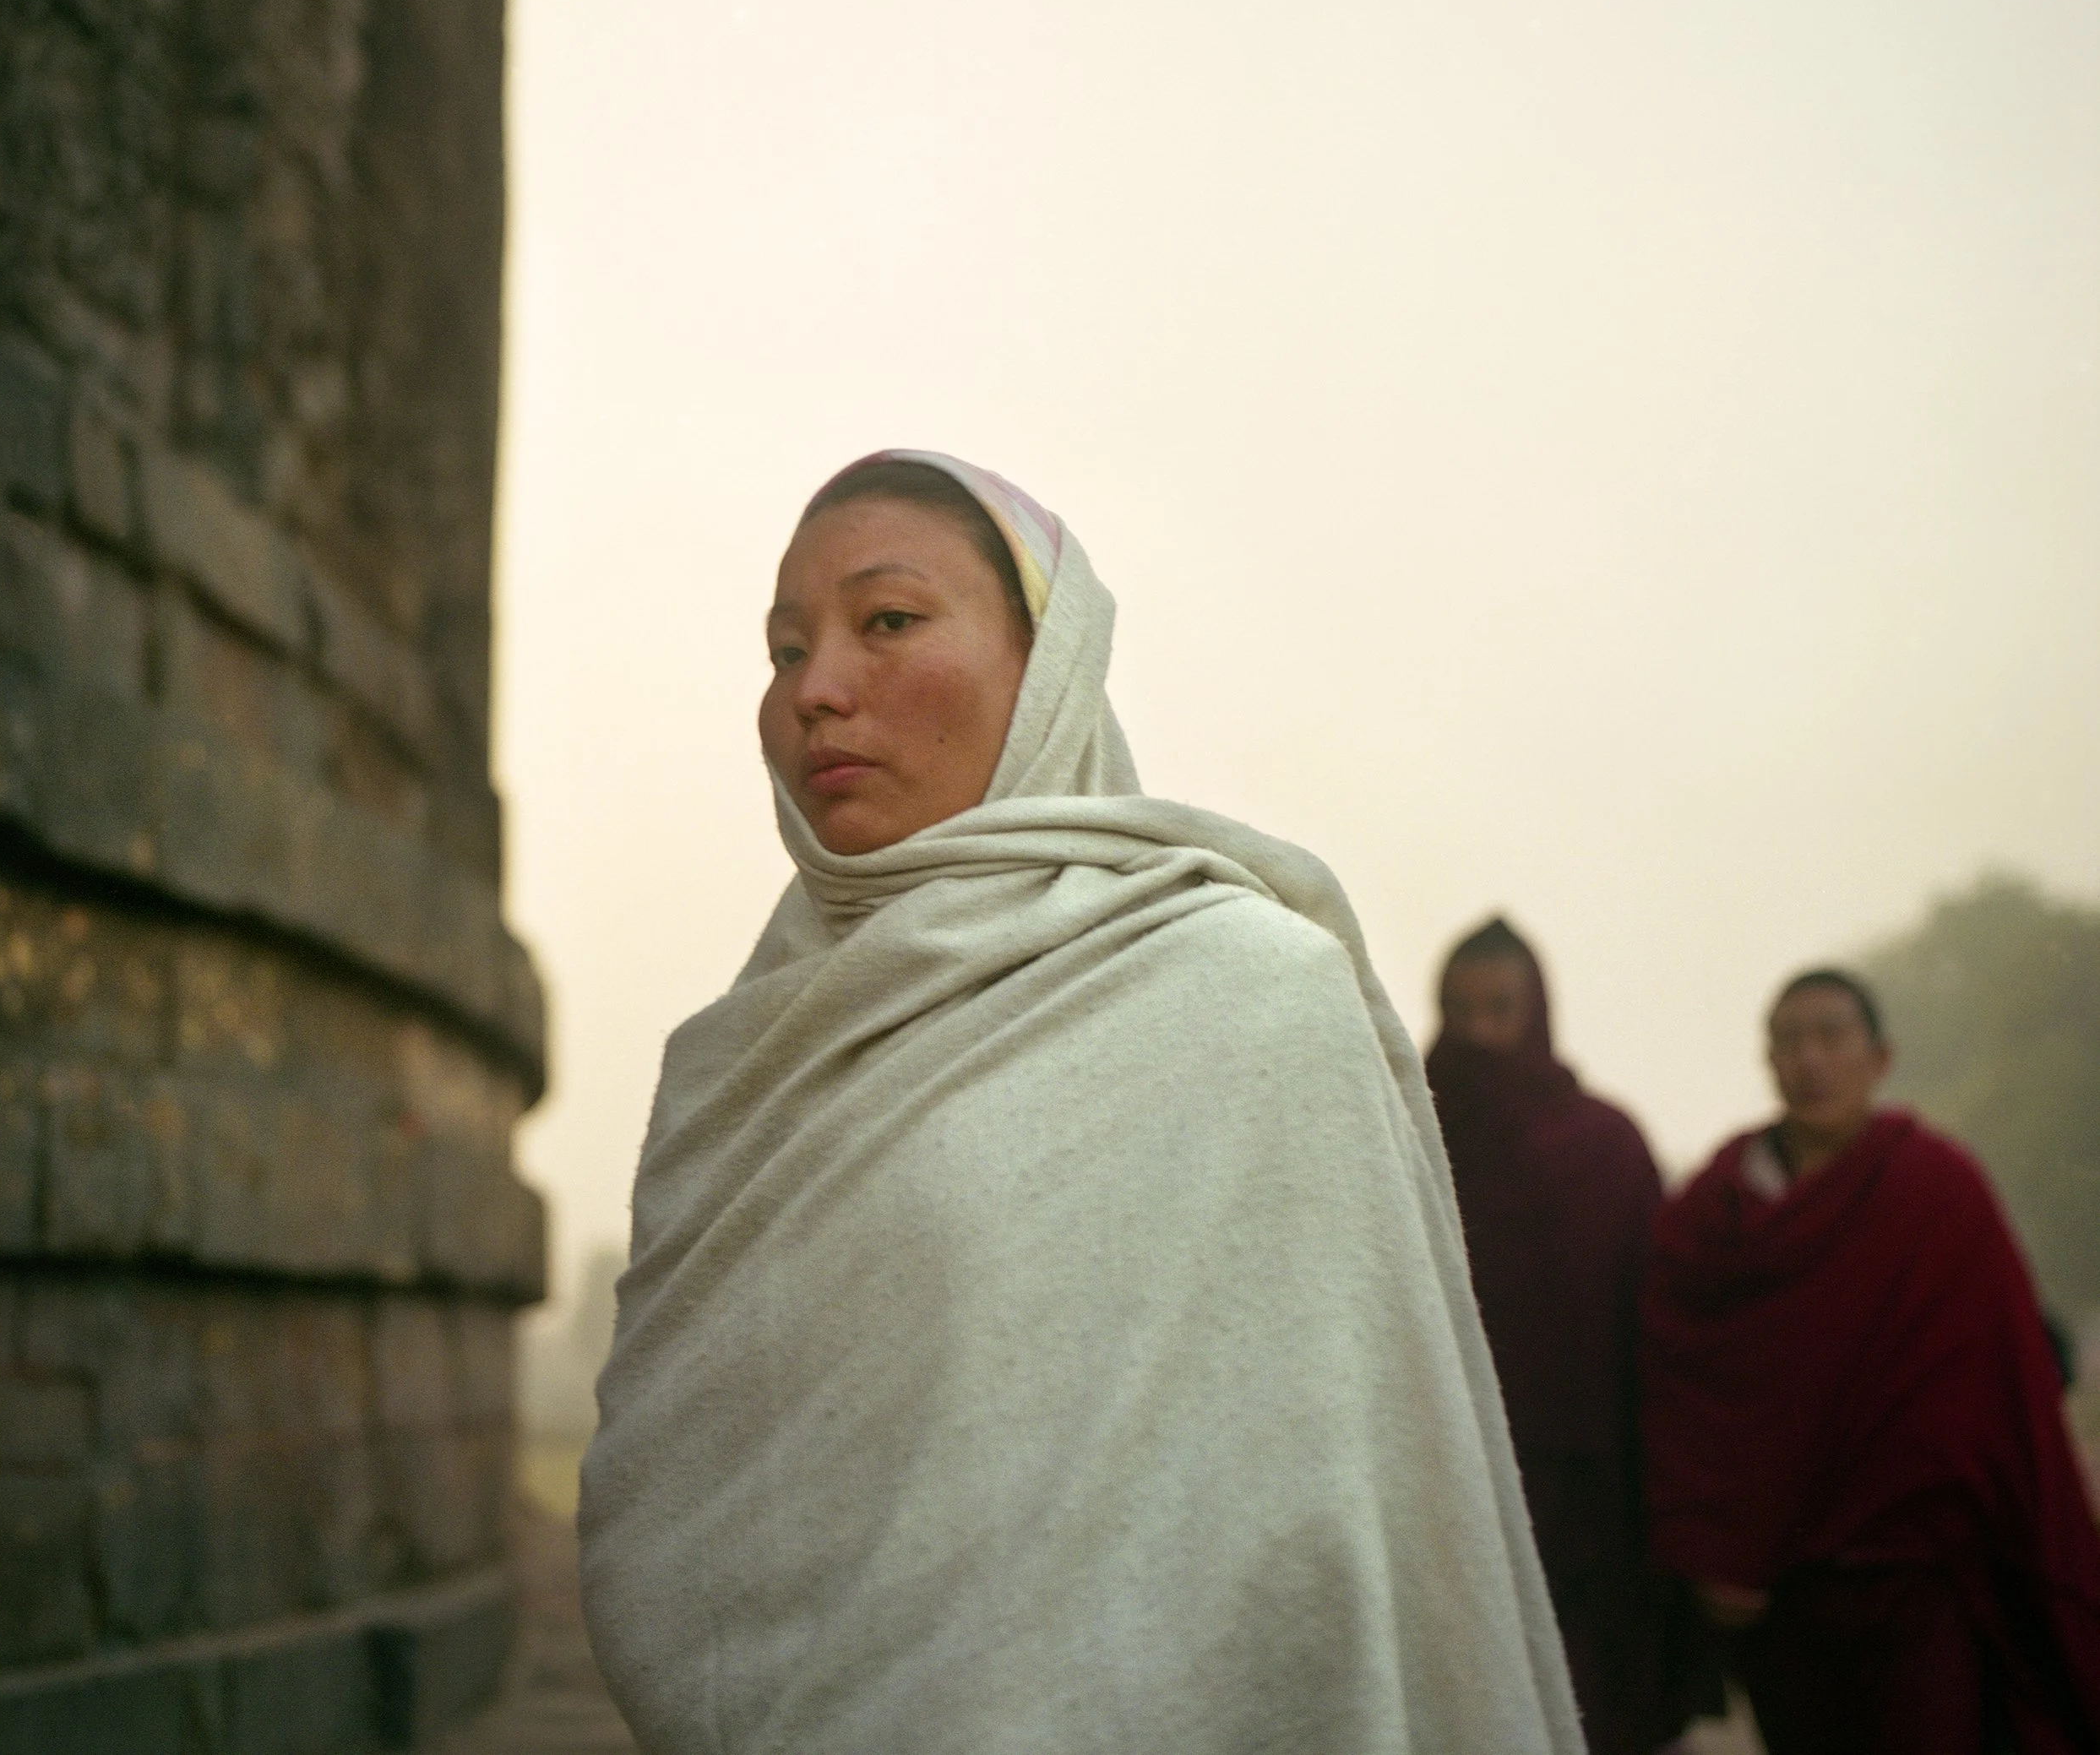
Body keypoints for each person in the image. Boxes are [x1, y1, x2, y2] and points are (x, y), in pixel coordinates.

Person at [579, 451, 1584, 1754]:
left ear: (1047, 664)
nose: (816, 691)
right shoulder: (748, 1057)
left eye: (888, 622)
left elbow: (1327, 1535)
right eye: (784, 650)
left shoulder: (1249, 999)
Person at [1640, 965, 2100, 1755]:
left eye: (1831, 1038)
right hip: (1778, 1591)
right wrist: (1709, 1547)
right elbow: (1677, 1388)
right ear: (1768, 1063)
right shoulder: (1714, 1216)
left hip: (1920, 1579)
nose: (1811, 1060)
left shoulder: (1938, 1190)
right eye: (1789, 1042)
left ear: (1879, 1059)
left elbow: (2005, 1376)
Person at [1428, 917, 1695, 1755]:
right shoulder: (1411, 1138)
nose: (1480, 1032)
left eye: (1500, 1008)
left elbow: (1658, 1327)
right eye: (1462, 1010)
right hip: (1452, 1481)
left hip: (1590, 1493)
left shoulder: (1604, 1147)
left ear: (1537, 1012)